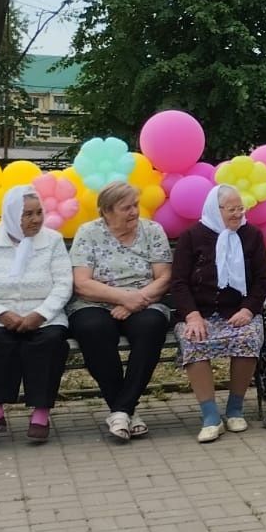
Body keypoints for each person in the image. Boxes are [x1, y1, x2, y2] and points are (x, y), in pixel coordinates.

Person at [0, 186, 73, 443]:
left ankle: (41, 414)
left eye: (39, 213)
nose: (36, 219)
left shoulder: (53, 240)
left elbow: (63, 284)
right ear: (12, 215)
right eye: (27, 214)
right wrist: (0, 313)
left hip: (45, 315)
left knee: (49, 342)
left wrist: (40, 314)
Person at [69, 181, 173, 442]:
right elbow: (82, 283)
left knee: (151, 327)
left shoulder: (152, 230)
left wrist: (137, 300)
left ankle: (121, 410)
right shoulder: (89, 233)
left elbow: (164, 277)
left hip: (145, 301)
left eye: (135, 205)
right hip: (95, 303)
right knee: (93, 329)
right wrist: (124, 298)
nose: (134, 212)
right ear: (106, 211)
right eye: (126, 208)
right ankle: (126, 411)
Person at [169, 185, 266, 443]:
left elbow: (261, 281)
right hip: (199, 312)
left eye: (240, 209)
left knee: (248, 336)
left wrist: (248, 309)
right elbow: (179, 282)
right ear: (216, 210)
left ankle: (235, 409)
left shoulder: (252, 235)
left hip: (237, 311)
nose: (237, 215)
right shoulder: (192, 236)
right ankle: (210, 416)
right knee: (194, 338)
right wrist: (191, 315)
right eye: (231, 210)